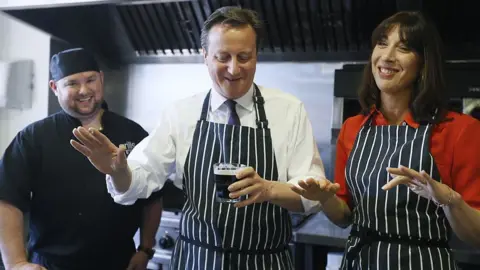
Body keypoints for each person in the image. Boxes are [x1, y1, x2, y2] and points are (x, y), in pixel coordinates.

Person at [70, 6, 325, 270]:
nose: (234, 68)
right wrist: (118, 171)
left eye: (244, 56)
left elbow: (314, 194)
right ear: (205, 56)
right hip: (196, 260)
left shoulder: (289, 110)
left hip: (265, 261)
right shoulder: (181, 113)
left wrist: (269, 190)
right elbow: (140, 178)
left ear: (256, 55)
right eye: (222, 57)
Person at [291, 11, 480, 269]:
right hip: (360, 262)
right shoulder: (353, 128)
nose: (387, 56)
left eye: (403, 48)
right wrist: (324, 198)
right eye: (382, 43)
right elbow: (345, 216)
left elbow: (476, 236)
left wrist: (447, 198)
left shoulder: (459, 131)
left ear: (424, 64)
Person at [0, 48, 163, 270]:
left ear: (101, 79)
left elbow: (152, 197)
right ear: (54, 87)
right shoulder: (33, 138)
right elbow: (7, 199)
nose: (84, 90)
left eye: (90, 80)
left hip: (118, 263)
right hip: (52, 265)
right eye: (72, 83)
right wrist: (15, 263)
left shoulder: (133, 134)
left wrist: (145, 249)